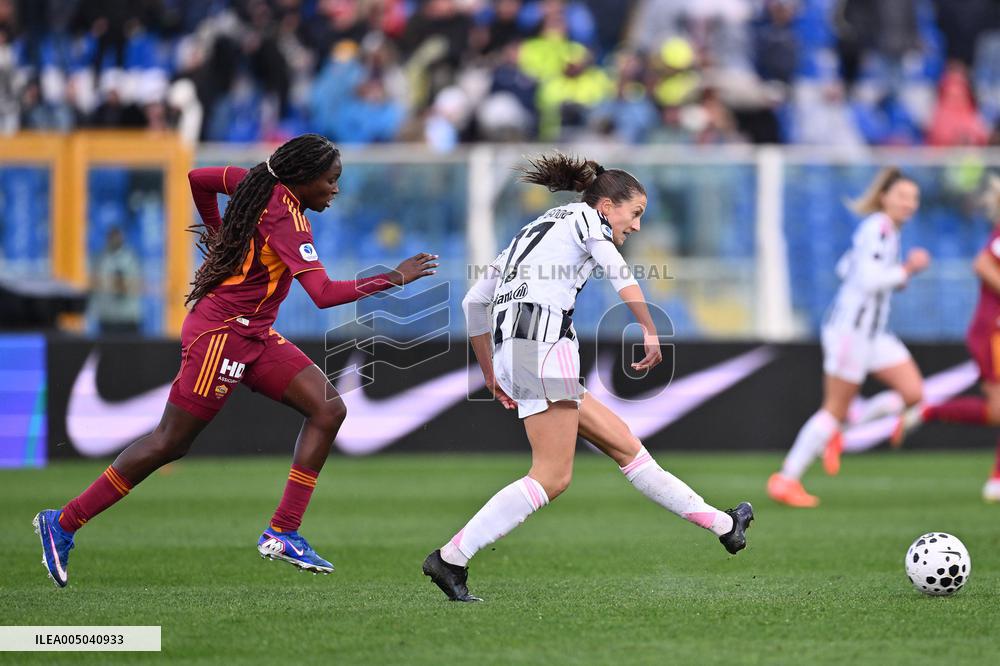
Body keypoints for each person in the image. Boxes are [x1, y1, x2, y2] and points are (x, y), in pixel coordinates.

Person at [33, 134, 437, 587]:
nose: (335, 190)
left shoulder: (253, 182)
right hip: (221, 336)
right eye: (330, 180)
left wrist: (217, 233)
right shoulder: (289, 220)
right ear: (303, 180)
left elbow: (198, 179)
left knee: (328, 407)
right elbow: (323, 295)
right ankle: (63, 522)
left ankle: (283, 530)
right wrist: (393, 277)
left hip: (254, 332)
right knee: (169, 442)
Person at [421, 154, 753, 602]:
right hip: (541, 347)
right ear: (605, 208)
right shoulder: (585, 220)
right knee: (552, 475)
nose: (636, 226)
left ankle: (725, 526)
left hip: (520, 350)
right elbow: (617, 271)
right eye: (634, 214)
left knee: (626, 447)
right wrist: (649, 327)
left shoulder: (534, 229)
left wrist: (490, 372)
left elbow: (473, 303)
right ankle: (451, 557)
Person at [767, 167, 931, 508]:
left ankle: (846, 425)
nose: (909, 204)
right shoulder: (878, 229)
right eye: (902, 196)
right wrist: (906, 271)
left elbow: (847, 268)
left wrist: (894, 277)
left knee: (914, 393)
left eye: (913, 198)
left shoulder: (887, 231)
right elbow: (868, 279)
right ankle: (786, 478)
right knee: (832, 409)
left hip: (873, 333)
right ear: (884, 197)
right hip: (850, 332)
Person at [892, 175, 1000, 502]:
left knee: (997, 410)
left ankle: (928, 412)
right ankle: (996, 480)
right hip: (993, 329)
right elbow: (982, 263)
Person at [91, 227, 143, 335]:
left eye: (117, 237)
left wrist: (115, 284)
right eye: (112, 237)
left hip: (129, 318)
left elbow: (133, 284)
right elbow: (97, 284)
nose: (115, 240)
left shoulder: (131, 259)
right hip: (108, 319)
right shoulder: (101, 259)